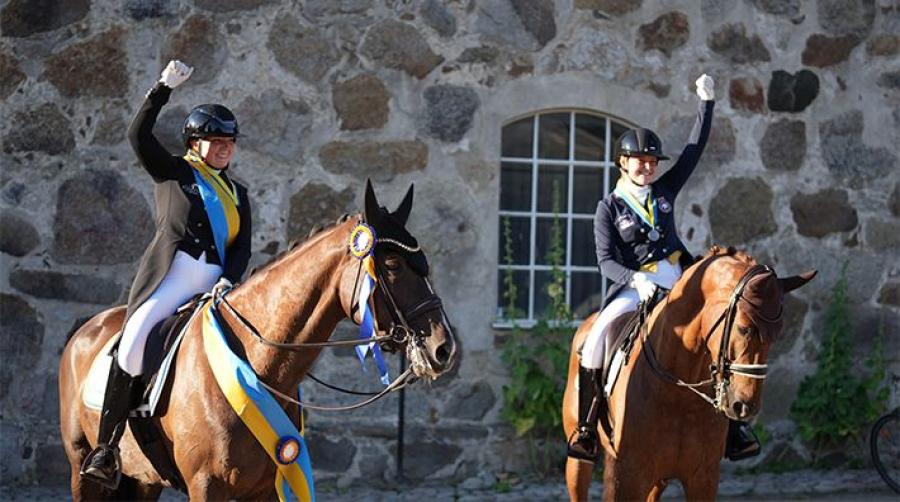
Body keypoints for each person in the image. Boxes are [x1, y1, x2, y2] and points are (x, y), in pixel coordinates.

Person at [566, 74, 761, 464]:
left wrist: (705, 104)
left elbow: (692, 151)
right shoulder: (609, 207)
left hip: (680, 278)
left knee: (718, 333)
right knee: (596, 338)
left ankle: (733, 429)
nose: (647, 167)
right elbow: (605, 261)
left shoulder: (664, 193)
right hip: (633, 285)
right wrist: (634, 279)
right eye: (640, 161)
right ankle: (588, 428)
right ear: (623, 163)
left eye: (652, 161)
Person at [80, 60, 253, 488]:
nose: (224, 147)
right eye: (215, 140)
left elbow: (241, 247)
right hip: (174, 277)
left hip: (216, 282)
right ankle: (106, 447)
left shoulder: (238, 194)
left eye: (229, 141)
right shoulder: (175, 172)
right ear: (194, 143)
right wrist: (161, 90)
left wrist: (228, 280)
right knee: (134, 340)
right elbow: (137, 136)